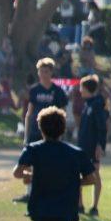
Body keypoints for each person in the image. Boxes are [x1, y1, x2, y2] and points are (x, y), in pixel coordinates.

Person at [17, 58, 69, 202]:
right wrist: (26, 135)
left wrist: (62, 134)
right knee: (29, 163)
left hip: (52, 133)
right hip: (35, 131)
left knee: (52, 163)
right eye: (41, 71)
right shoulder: (34, 90)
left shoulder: (58, 91)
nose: (44, 74)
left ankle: (50, 192)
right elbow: (29, 113)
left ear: (51, 72)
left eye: (46, 71)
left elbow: (63, 113)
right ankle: (29, 192)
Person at [77, 75, 108, 216]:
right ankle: (79, 205)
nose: (79, 90)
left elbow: (102, 127)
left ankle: (95, 207)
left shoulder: (96, 104)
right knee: (77, 175)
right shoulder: (87, 104)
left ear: (87, 88)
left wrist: (100, 145)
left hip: (92, 148)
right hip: (82, 147)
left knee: (95, 175)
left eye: (81, 87)